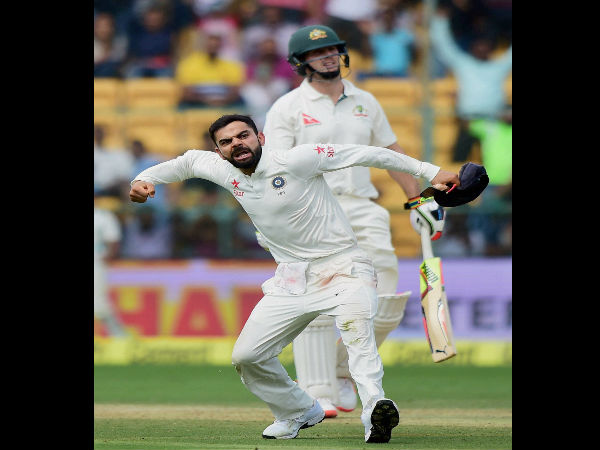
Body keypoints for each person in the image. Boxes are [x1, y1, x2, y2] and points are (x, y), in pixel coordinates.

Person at [129, 114, 460, 442]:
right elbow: (186, 163)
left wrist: (430, 171)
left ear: (260, 137)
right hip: (292, 277)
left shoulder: (298, 159)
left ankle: (374, 409)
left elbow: (367, 153)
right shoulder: (220, 168)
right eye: (226, 142)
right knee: (247, 357)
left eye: (243, 136)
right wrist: (144, 179)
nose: (236, 144)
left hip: (343, 267)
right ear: (219, 151)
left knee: (356, 333)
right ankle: (297, 410)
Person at [261, 24, 446, 418]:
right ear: (301, 62)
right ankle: (316, 390)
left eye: (332, 49)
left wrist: (418, 199)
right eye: (317, 52)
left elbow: (391, 151)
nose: (327, 56)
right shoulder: (287, 107)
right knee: (314, 296)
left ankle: (342, 369)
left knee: (386, 296)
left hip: (362, 205)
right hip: (311, 209)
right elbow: (275, 168)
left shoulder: (366, 100)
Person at [430, 6, 512, 162]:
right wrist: (440, 22)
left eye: (486, 46)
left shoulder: (498, 66)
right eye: (478, 46)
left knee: (493, 162)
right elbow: (444, 46)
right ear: (472, 49)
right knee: (458, 163)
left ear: (491, 49)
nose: (482, 48)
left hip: (492, 123)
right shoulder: (464, 64)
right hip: (468, 122)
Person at [175, 33, 246, 108]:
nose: (213, 47)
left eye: (216, 45)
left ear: (220, 46)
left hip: (225, 102)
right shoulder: (188, 64)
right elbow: (186, 92)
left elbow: (235, 91)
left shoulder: (231, 65)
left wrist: (221, 102)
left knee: (241, 102)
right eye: (210, 45)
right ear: (203, 45)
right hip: (198, 103)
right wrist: (207, 101)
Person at [94, 196, 127, 336]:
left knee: (99, 305)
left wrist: (108, 256)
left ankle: (120, 336)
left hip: (96, 263)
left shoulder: (102, 216)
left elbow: (113, 240)